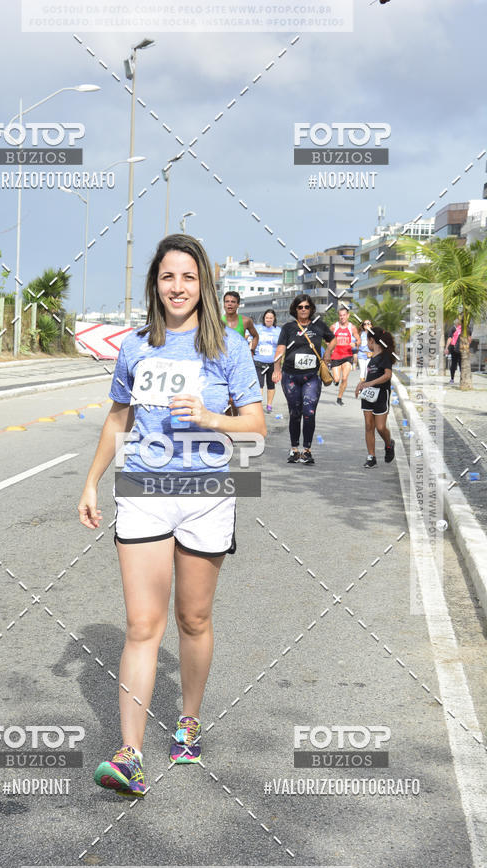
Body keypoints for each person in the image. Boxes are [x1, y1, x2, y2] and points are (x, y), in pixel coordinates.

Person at [78, 234, 265, 799]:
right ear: (154, 285)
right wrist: (90, 481)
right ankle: (130, 754)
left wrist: (211, 416)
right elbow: (118, 418)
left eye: (188, 277)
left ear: (203, 283)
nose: (177, 287)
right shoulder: (135, 347)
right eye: (167, 277)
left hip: (207, 492)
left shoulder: (227, 348)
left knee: (193, 620)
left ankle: (188, 717)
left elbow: (255, 425)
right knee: (141, 625)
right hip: (143, 489)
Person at [272, 294, 337, 464]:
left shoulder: (318, 325)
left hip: (311, 377)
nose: (303, 310)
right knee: (295, 413)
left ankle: (307, 450)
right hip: (291, 376)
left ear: (311, 309)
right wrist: (276, 369)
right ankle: (294, 450)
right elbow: (280, 349)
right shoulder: (288, 328)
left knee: (309, 412)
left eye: (306, 307)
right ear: (295, 309)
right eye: (300, 307)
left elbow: (333, 339)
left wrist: (328, 352)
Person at [354, 326, 396, 468]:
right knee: (368, 425)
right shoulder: (372, 359)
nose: (367, 344)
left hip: (381, 395)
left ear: (372, 341)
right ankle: (371, 457)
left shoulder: (385, 356)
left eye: (367, 341)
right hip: (368, 395)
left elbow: (387, 375)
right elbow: (368, 377)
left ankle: (389, 443)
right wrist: (361, 385)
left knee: (380, 427)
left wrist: (370, 383)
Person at [329, 306, 359, 406]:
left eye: (344, 315)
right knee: (337, 379)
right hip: (336, 356)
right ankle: (335, 380)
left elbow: (359, 340)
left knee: (345, 378)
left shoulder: (352, 327)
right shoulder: (334, 327)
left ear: (348, 315)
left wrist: (355, 344)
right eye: (340, 315)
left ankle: (339, 398)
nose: (342, 317)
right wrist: (331, 344)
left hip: (347, 355)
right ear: (339, 316)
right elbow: (327, 338)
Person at [253, 308, 282, 413]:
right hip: (258, 361)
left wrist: (278, 365)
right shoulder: (257, 328)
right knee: (259, 384)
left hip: (272, 362)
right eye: (267, 317)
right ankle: (259, 405)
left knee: (271, 384)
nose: (268, 319)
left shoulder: (278, 331)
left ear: (274, 319)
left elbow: (281, 347)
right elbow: (249, 338)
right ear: (264, 318)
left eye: (271, 318)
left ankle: (269, 405)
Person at [445, 318, 472, 385]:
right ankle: (463, 379)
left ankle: (452, 379)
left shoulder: (453, 328)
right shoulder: (467, 329)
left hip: (454, 349)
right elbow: (469, 339)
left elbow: (449, 339)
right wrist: (467, 347)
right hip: (463, 349)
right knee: (461, 365)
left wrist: (446, 348)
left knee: (454, 364)